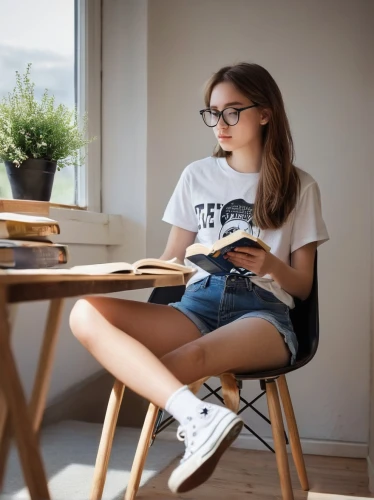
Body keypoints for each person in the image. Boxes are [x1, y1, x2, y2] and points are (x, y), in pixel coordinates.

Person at [69, 62, 329, 494]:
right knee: (85, 313)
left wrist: (268, 266)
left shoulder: (299, 186)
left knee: (182, 361)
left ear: (265, 113)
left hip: (263, 316)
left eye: (232, 111)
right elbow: (175, 256)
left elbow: (301, 286)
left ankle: (199, 421)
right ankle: (201, 417)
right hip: (197, 303)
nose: (219, 124)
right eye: (212, 112)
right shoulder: (197, 175)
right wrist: (139, 270)